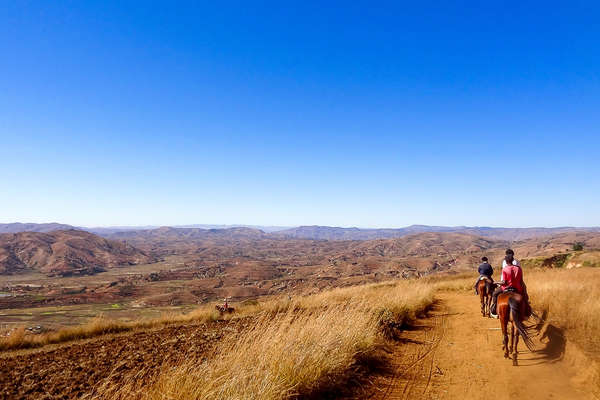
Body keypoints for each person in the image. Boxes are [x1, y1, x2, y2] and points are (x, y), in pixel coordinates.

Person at [490, 249, 530, 318]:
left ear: (506, 260)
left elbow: (504, 281)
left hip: (506, 286)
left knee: (495, 294)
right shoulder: (518, 267)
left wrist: (496, 282)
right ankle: (527, 311)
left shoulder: (505, 268)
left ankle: (494, 308)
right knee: (525, 296)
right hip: (517, 286)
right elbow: (521, 279)